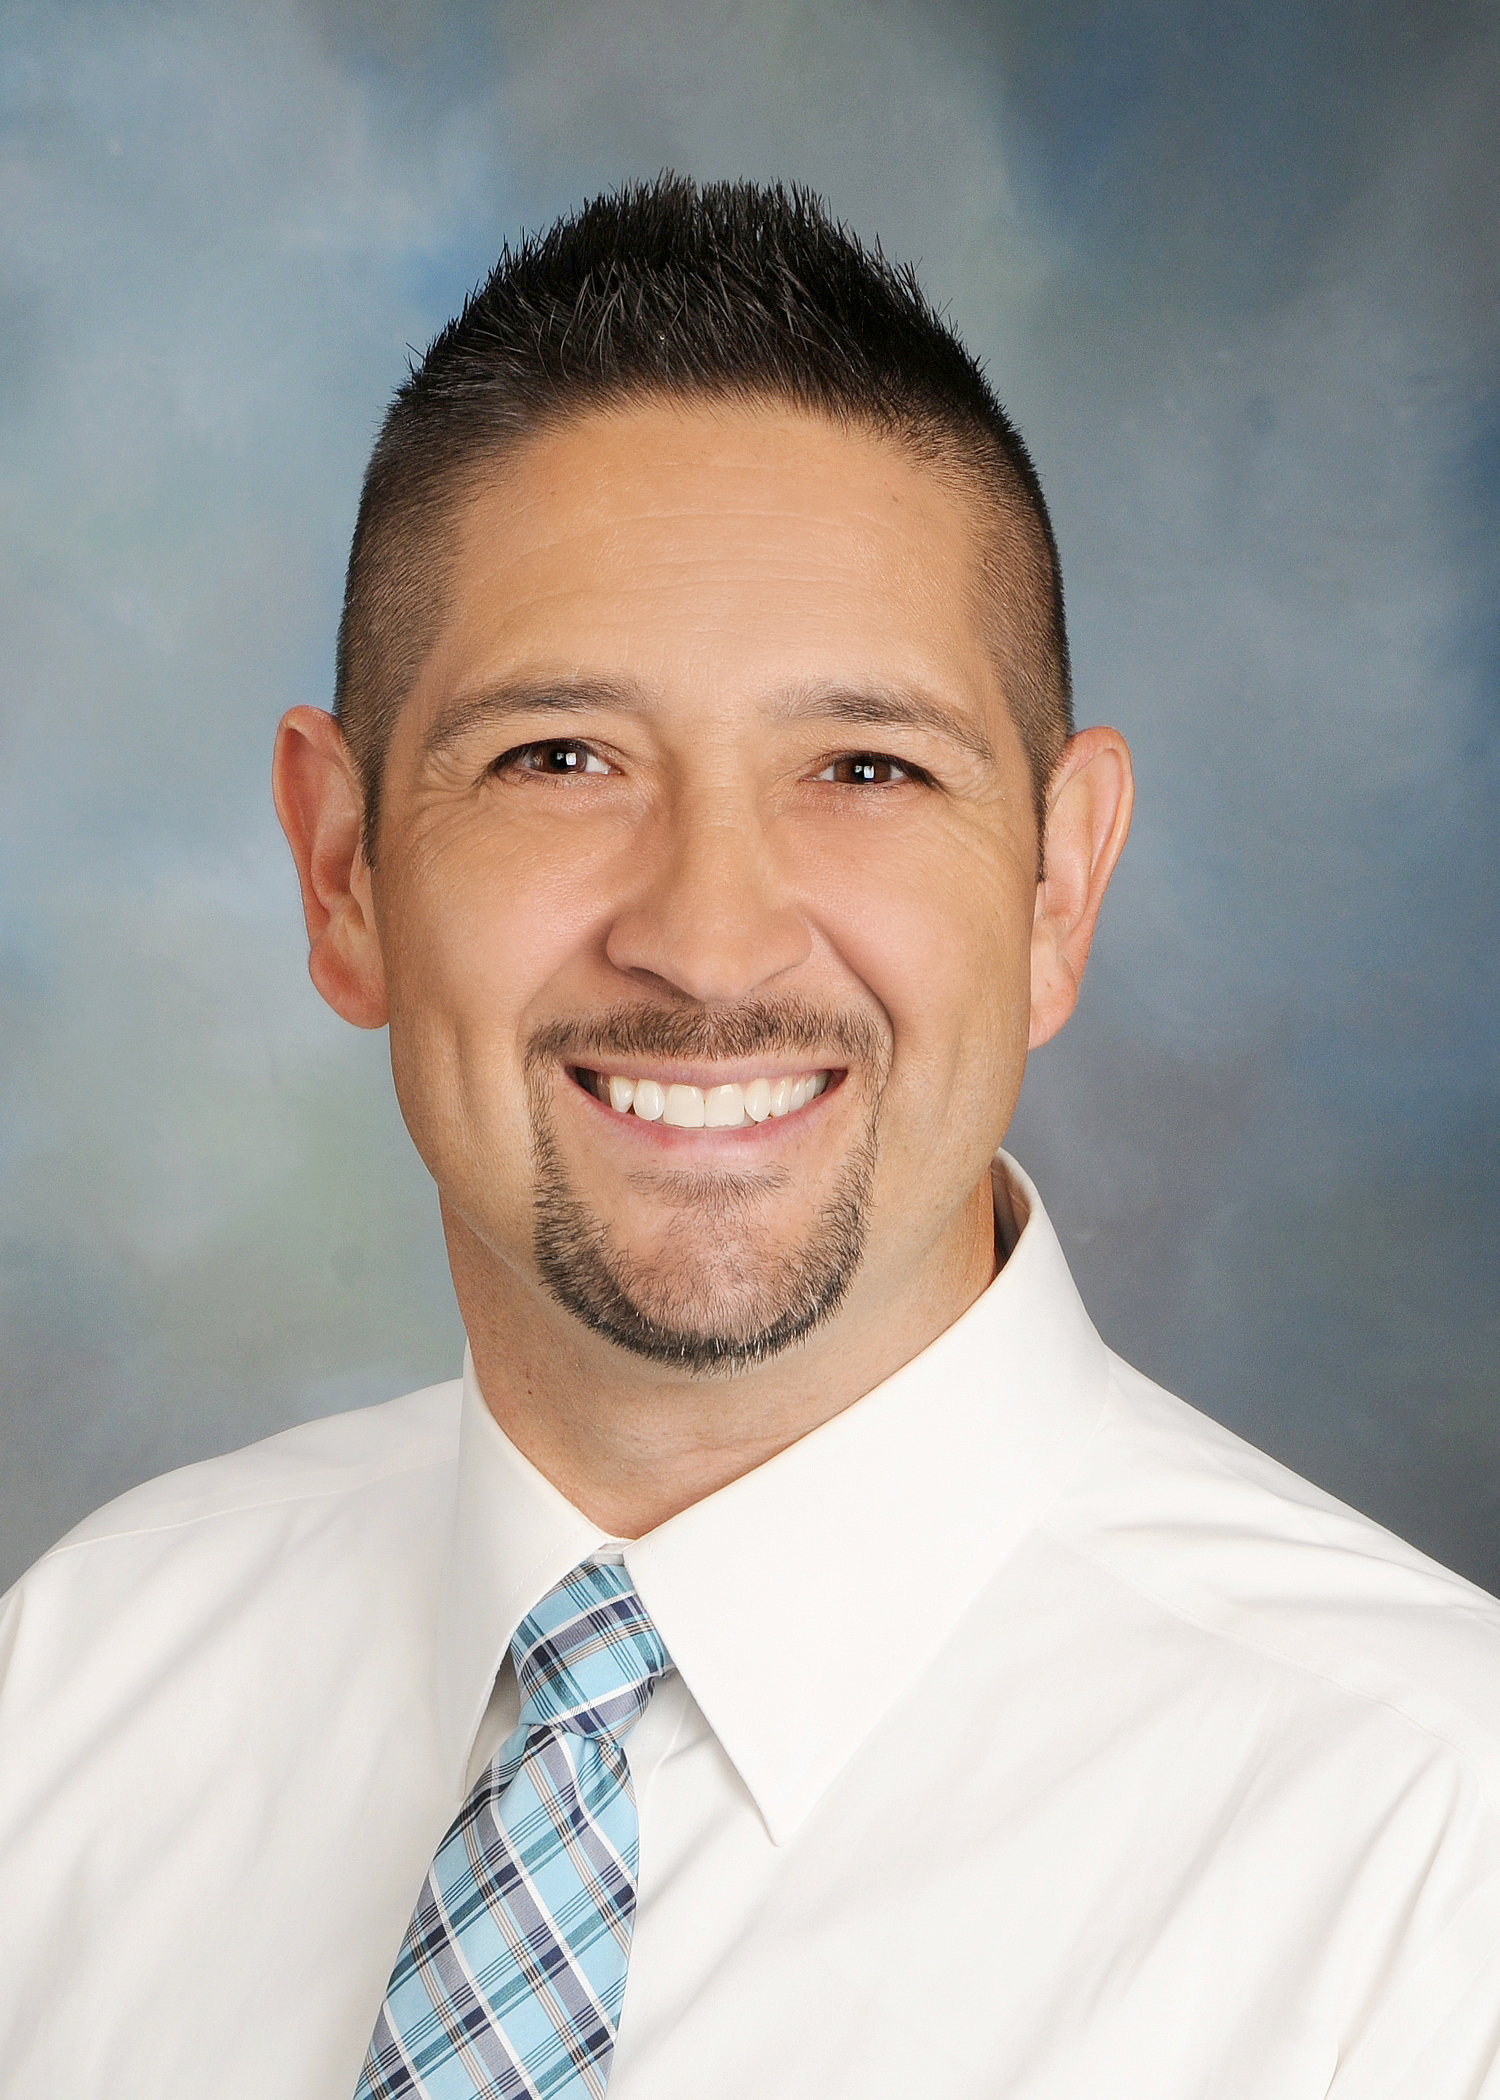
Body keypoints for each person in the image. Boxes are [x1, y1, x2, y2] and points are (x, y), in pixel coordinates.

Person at [1, 177, 1497, 2100]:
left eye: (866, 767)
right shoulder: (75, 1689)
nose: (709, 942)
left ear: (1058, 886)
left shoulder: (1431, 1869)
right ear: (343, 868)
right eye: (560, 759)